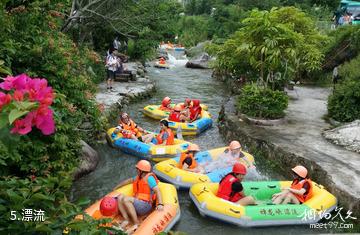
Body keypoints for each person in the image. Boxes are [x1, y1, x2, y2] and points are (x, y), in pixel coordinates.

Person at [114, 160, 164, 233]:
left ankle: (136, 223)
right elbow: (129, 181)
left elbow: (157, 190)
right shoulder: (138, 177)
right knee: (120, 197)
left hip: (146, 205)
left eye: (137, 169)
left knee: (126, 200)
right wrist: (116, 187)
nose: (136, 170)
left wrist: (160, 204)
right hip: (138, 203)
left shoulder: (149, 178)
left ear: (141, 171)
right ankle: (126, 220)